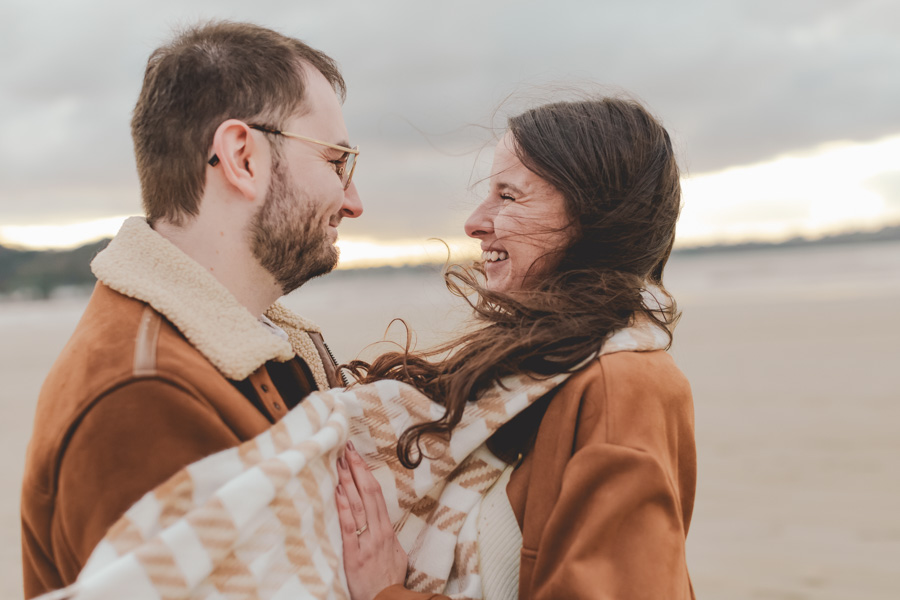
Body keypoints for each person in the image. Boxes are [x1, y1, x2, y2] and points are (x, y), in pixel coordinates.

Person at [20, 21, 362, 598]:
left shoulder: (254, 345)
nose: (353, 200)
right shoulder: (142, 397)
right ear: (241, 158)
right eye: (336, 161)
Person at [334, 97, 696, 599]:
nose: (476, 222)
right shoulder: (532, 375)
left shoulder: (622, 385)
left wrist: (385, 592)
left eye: (508, 195)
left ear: (590, 214)